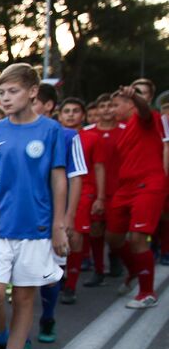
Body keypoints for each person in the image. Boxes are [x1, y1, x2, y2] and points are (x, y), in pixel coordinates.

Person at [0, 64, 69, 349]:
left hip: (36, 230)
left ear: (33, 92)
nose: (5, 97)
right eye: (2, 92)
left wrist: (59, 224)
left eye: (13, 91)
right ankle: (0, 339)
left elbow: (58, 178)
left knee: (23, 298)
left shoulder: (51, 130)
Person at [104, 81, 167, 308]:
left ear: (130, 104)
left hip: (148, 185)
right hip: (126, 188)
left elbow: (144, 110)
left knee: (138, 238)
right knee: (113, 237)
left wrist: (136, 97)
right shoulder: (125, 128)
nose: (111, 110)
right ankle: (133, 272)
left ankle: (147, 292)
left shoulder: (147, 118)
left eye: (115, 105)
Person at [36, 97, 88, 339]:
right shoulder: (4, 130)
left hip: (52, 217)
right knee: (15, 284)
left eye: (35, 100)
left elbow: (75, 177)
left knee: (49, 275)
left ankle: (47, 317)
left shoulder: (66, 135)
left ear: (47, 105)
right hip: (19, 221)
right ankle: (18, 340)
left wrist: (68, 216)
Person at [64, 97, 115, 298]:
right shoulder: (52, 134)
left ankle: (71, 285)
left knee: (75, 237)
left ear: (83, 115)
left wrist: (100, 198)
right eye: (66, 110)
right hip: (55, 193)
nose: (70, 114)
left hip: (85, 192)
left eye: (75, 111)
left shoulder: (92, 137)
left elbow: (99, 167)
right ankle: (57, 278)